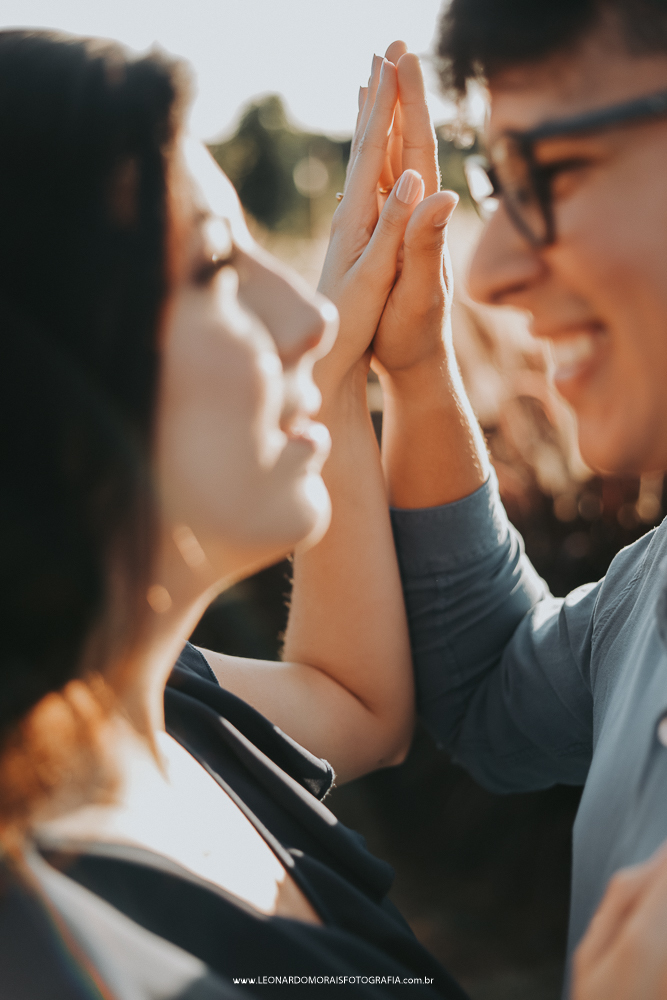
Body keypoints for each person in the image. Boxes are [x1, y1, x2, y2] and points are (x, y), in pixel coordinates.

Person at [0, 29, 467, 999]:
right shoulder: (61, 955)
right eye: (215, 267)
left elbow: (354, 700)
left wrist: (344, 382)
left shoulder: (153, 703)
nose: (312, 318)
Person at [329, 2, 667, 998]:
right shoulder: (651, 588)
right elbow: (487, 692)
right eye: (494, 185)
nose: (487, 270)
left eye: (549, 176)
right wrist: (418, 371)